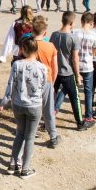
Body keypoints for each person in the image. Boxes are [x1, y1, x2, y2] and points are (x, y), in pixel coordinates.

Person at [0, 37, 46, 179]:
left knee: (19, 133)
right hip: (34, 105)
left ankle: (12, 164)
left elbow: (10, 85)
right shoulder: (42, 67)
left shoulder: (17, 64)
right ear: (37, 50)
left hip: (18, 104)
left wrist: (3, 102)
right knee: (30, 137)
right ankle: (25, 169)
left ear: (23, 50)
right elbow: (43, 87)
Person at [49, 12, 92, 131]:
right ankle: (80, 122)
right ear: (72, 23)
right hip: (67, 72)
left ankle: (48, 121)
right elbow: (75, 58)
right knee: (75, 97)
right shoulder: (73, 37)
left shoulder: (54, 35)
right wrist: (78, 75)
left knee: (52, 96)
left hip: (55, 71)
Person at [31, 17, 60, 148]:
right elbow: (55, 67)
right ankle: (53, 136)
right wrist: (52, 83)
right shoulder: (50, 46)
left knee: (33, 107)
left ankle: (31, 132)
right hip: (47, 80)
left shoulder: (28, 45)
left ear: (32, 31)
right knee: (48, 109)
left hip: (31, 81)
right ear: (45, 33)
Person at [69, 13, 96, 124]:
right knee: (88, 91)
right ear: (92, 23)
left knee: (65, 89)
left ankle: (55, 109)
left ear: (81, 21)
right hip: (87, 65)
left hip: (75, 64)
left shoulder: (74, 32)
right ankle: (88, 116)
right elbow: (94, 52)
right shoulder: (94, 35)